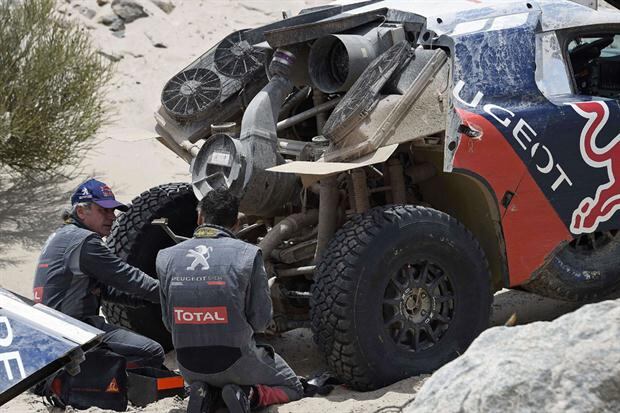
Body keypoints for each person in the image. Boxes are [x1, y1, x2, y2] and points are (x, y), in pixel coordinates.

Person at [156, 188, 303, 413]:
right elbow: (261, 322)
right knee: (293, 386)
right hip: (237, 363)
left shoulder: (165, 257)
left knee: (210, 374)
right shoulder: (248, 255)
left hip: (188, 366)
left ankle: (207, 394)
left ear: (199, 218)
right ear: (236, 223)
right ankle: (249, 396)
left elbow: (169, 323)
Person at [33, 178, 165, 369]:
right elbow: (128, 278)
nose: (112, 216)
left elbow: (102, 290)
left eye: (113, 210)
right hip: (72, 330)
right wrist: (171, 293)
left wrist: (146, 299)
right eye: (103, 210)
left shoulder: (62, 236)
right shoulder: (85, 242)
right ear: (80, 211)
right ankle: (89, 382)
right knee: (153, 352)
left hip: (52, 328)